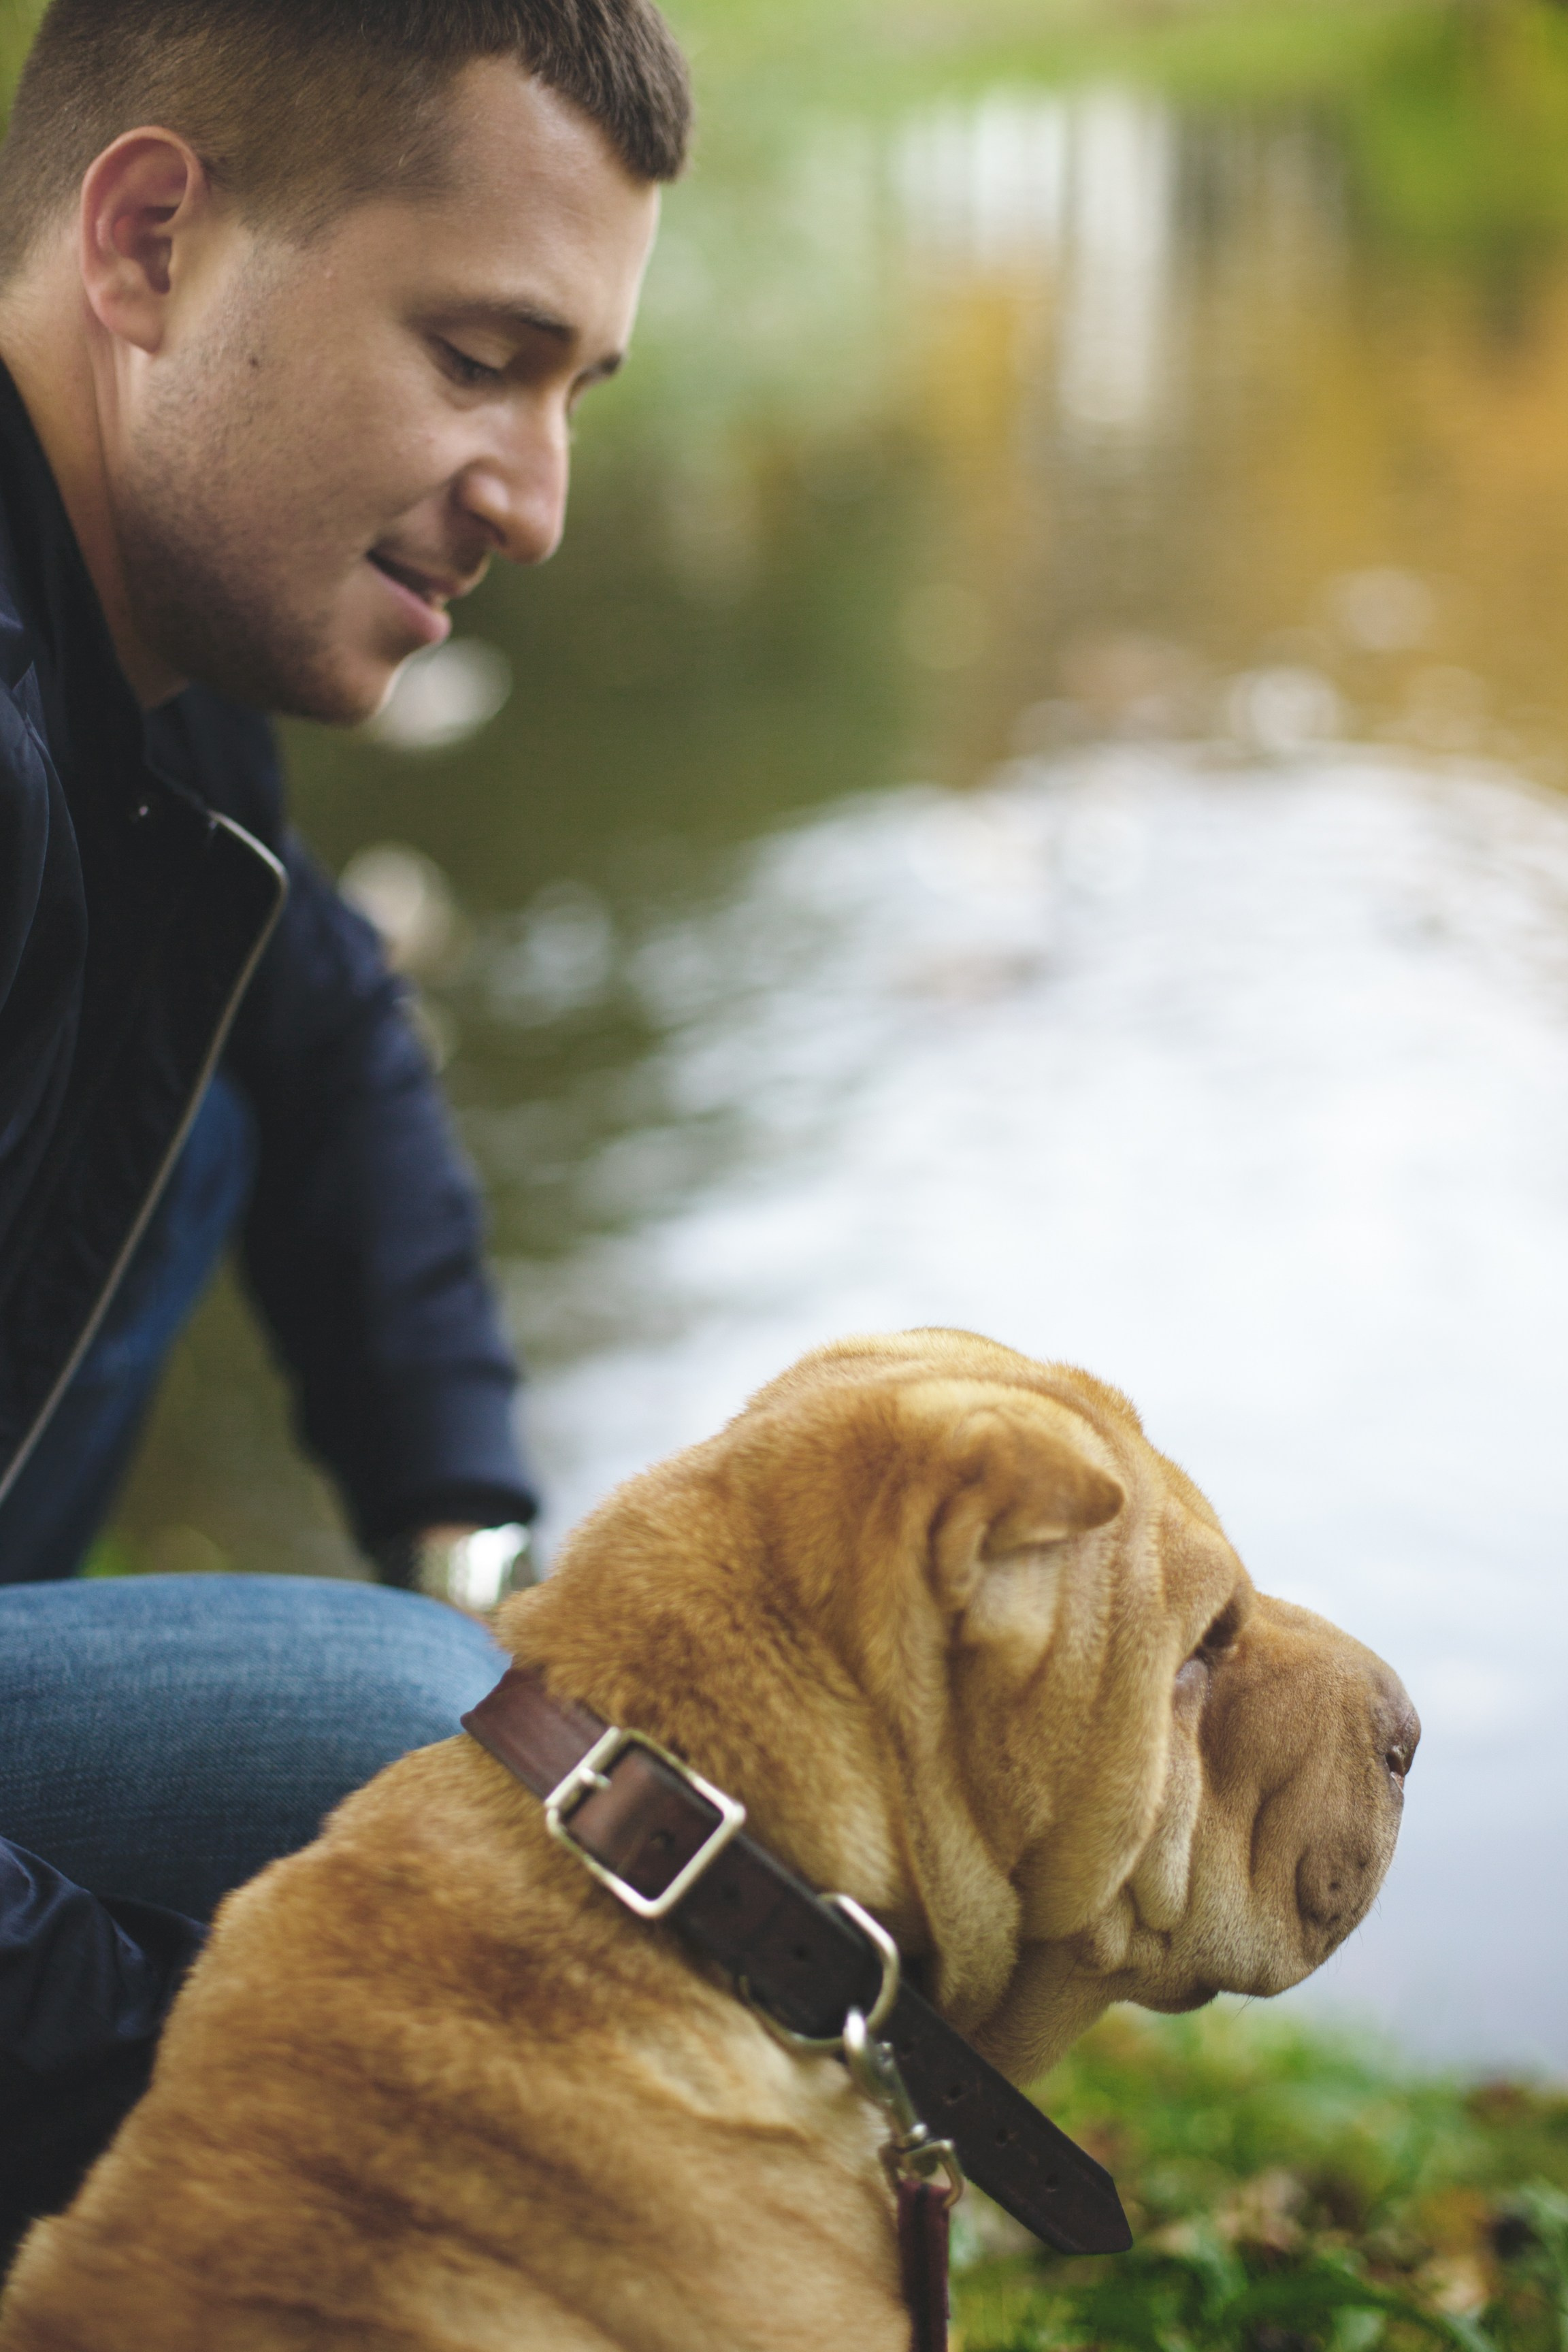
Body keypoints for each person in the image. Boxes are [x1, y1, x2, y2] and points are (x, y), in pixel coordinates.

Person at [0, 0, 689, 2260]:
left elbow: (334, 1050)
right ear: (149, 245)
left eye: (575, 394)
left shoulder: (151, 667)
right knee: (416, 1747)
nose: (539, 504)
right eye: (480, 359)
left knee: (209, 1099)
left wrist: (473, 1536)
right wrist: (302, 2118)